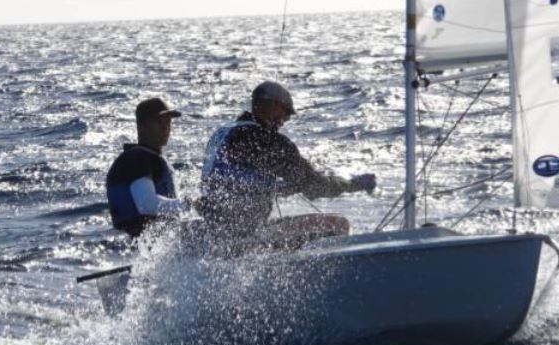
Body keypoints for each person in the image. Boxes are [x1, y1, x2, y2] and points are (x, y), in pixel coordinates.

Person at [200, 81, 376, 248]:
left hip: (214, 230)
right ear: (275, 105)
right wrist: (352, 184)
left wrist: (286, 188)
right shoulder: (265, 140)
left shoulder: (223, 133)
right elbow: (314, 184)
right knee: (338, 225)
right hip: (241, 238)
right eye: (286, 113)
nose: (284, 121)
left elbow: (237, 185)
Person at [106, 97, 192, 238]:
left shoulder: (153, 158)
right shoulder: (135, 159)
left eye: (168, 122)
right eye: (159, 122)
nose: (166, 127)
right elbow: (147, 204)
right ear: (142, 126)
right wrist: (189, 205)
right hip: (136, 243)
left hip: (158, 242)